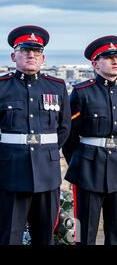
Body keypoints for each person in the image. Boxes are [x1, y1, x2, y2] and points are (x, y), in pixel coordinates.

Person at [62, 36, 117, 245]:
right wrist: (80, 163)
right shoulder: (81, 93)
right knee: (84, 232)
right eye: (108, 57)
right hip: (88, 170)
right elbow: (69, 135)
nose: (115, 61)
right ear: (95, 64)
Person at [0, 25, 71, 245]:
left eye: (36, 51)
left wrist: (45, 151)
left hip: (47, 174)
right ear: (14, 56)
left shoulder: (57, 87)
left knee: (44, 236)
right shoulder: (2, 87)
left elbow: (64, 128)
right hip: (10, 173)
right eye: (25, 50)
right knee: (9, 236)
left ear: (43, 58)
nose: (31, 55)